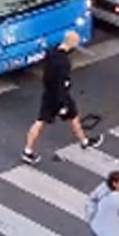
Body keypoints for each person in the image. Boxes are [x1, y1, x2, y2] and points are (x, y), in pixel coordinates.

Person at [21, 31, 103, 164]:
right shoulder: (64, 62)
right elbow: (61, 83)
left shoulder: (51, 52)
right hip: (60, 96)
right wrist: (62, 104)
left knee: (45, 120)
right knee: (69, 115)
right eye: (76, 42)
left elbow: (48, 76)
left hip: (48, 93)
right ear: (72, 43)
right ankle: (84, 141)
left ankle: (28, 150)